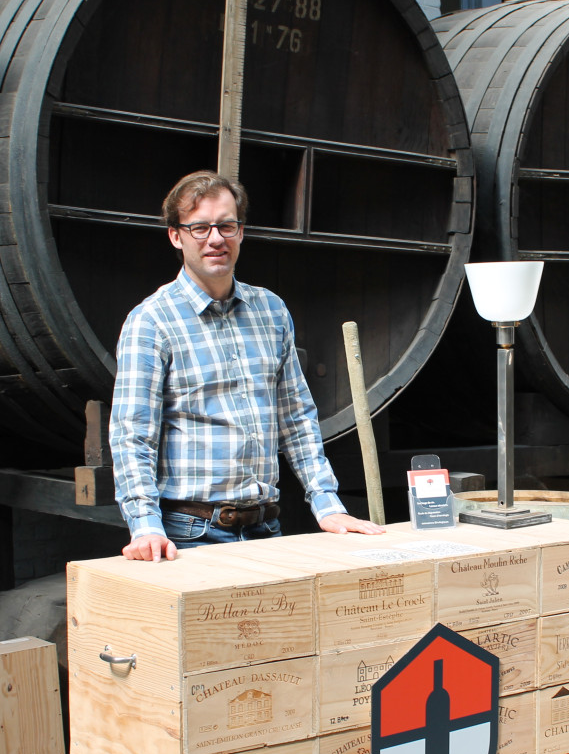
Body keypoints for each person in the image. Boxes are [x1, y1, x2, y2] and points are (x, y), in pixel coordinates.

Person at [110, 170, 385, 561]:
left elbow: (297, 417)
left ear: (240, 231)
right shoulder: (151, 321)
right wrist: (145, 526)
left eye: (226, 225)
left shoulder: (270, 310)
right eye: (200, 227)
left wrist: (327, 503)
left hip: (266, 528)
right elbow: (132, 435)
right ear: (176, 235)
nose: (216, 239)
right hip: (189, 534)